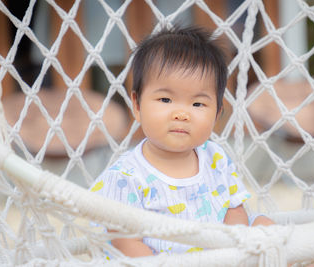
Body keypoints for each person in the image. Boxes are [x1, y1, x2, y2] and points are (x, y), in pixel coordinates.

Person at [90, 25, 274, 257]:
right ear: (137, 106)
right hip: (160, 262)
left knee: (265, 224)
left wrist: (230, 254)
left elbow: (235, 211)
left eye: (198, 104)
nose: (181, 114)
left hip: (220, 256)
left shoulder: (215, 158)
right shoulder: (125, 178)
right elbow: (126, 245)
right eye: (166, 99)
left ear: (216, 114)